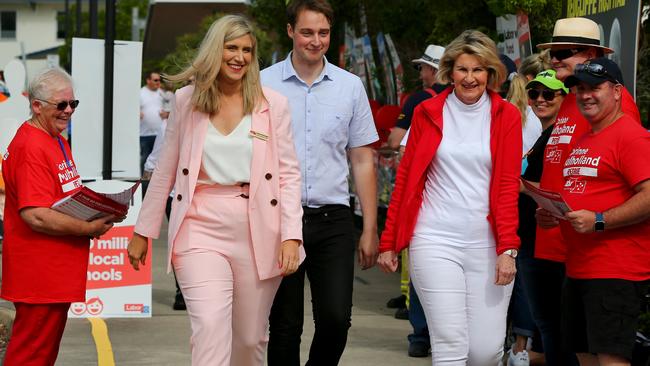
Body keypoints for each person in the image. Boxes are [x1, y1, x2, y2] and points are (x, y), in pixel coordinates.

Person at [126, 15, 303, 366]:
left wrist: (291, 236)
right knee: (209, 326)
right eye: (231, 47)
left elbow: (288, 175)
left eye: (247, 50)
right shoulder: (185, 101)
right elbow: (165, 169)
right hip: (199, 223)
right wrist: (143, 230)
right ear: (215, 50)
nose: (239, 57)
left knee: (250, 339)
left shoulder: (273, 104)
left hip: (258, 227)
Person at [378, 29, 522, 365]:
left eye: (478, 70)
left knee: (485, 352)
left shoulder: (507, 117)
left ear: (490, 72)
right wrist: (389, 241)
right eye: (462, 69)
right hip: (434, 239)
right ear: (449, 71)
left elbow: (506, 187)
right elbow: (406, 181)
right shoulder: (427, 112)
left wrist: (508, 249)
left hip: (487, 244)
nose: (470, 78)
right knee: (450, 344)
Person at [261, 1, 379, 364]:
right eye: (307, 32)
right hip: (279, 218)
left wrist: (370, 228)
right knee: (284, 325)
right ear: (290, 32)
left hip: (334, 220)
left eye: (323, 33)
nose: (315, 41)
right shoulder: (262, 83)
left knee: (335, 319)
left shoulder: (350, 86)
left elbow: (361, 159)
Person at [530, 17, 641, 366]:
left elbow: (637, 181)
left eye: (564, 52)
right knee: (564, 344)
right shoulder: (569, 105)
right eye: (552, 53)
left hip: (605, 257)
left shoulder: (622, 116)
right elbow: (573, 175)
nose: (554, 60)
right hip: (564, 247)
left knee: (601, 352)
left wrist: (600, 220)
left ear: (591, 53)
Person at [1, 67, 116, 366]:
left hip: (54, 271)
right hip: (39, 272)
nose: (68, 111)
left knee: (43, 352)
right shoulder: (30, 146)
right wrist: (87, 227)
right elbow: (36, 215)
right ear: (37, 105)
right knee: (30, 353)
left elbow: (59, 197)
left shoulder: (54, 139)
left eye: (73, 104)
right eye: (61, 105)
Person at [504, 52, 551, 366]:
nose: (540, 98)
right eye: (536, 92)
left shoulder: (518, 112)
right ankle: (520, 346)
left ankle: (520, 346)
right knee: (520, 277)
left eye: (548, 93)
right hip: (522, 204)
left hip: (528, 205)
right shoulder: (521, 114)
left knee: (521, 278)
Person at [387, 44, 446, 150]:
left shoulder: (418, 99)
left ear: (432, 69)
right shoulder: (459, 96)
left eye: (421, 68)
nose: (420, 75)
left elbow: (395, 142)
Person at [139, 70, 168, 175]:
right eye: (155, 80)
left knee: (159, 160)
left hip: (160, 134)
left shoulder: (162, 93)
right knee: (145, 159)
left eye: (159, 80)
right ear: (148, 81)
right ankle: (143, 183)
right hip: (144, 134)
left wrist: (167, 113)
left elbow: (171, 108)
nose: (158, 82)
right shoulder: (140, 93)